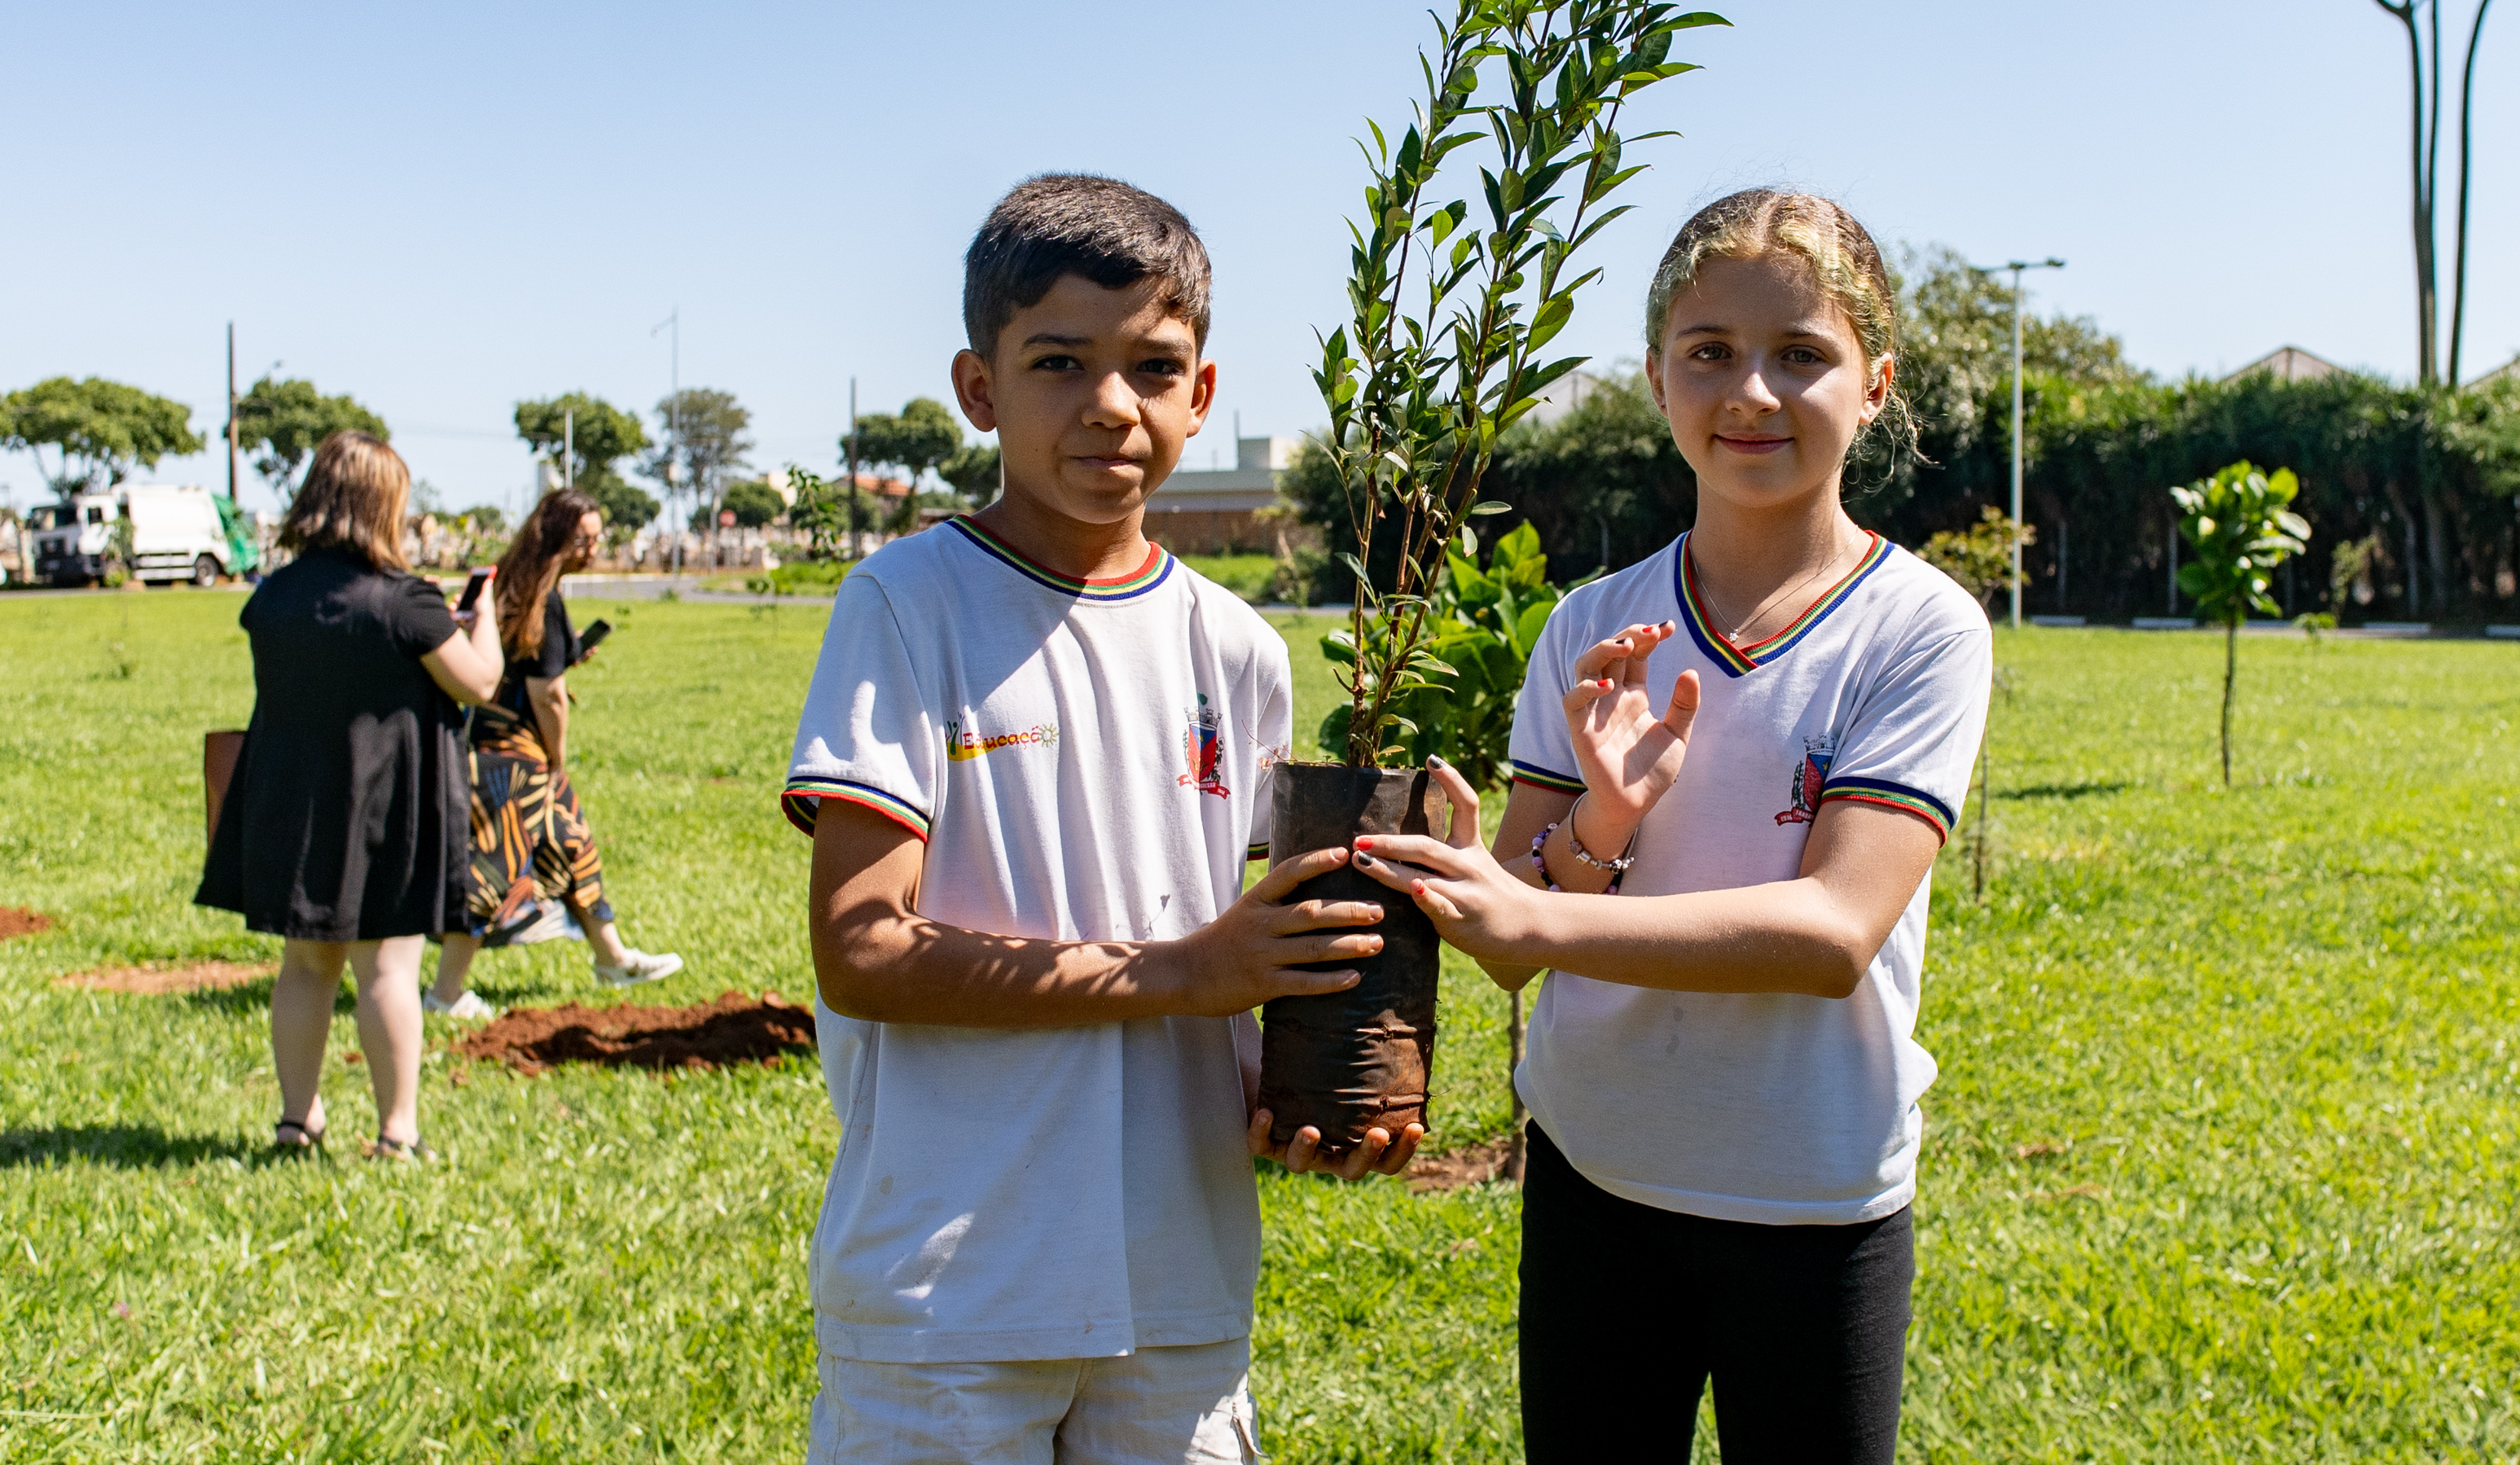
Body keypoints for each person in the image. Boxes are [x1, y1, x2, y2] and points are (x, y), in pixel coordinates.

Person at [1346, 191, 1993, 1464]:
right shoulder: (1593, 623)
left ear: (1875, 385)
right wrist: (1603, 817)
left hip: (1816, 1197)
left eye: (1802, 353)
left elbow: (1832, 930)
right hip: (1597, 1177)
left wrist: (1544, 904)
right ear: (1656, 377)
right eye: (1710, 351)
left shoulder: (1921, 629)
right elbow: (1515, 945)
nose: (1751, 389)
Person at [787, 174, 1414, 1464]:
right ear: (981, 388)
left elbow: (1225, 953)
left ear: (1203, 390)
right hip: (950, 1290)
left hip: (1178, 1281)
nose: (1111, 405)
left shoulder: (1235, 648)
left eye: (1153, 366)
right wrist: (1185, 971)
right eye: (1060, 362)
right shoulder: (907, 606)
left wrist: (1295, 1086)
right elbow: (861, 946)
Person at [195, 431, 507, 1160]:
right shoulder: (406, 603)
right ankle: (397, 1133)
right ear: (382, 506)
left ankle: (295, 1121)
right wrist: (482, 620)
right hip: (382, 812)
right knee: (388, 970)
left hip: (292, 805)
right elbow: (480, 682)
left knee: (305, 967)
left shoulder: (272, 598)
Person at [424, 488, 680, 1019]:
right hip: (515, 759)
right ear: (560, 539)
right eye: (586, 538)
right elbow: (549, 694)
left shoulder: (501, 586)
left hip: (489, 742)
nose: (594, 548)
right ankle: (444, 994)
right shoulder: (546, 600)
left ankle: (611, 958)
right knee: (493, 866)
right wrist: (556, 756)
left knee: (573, 841)